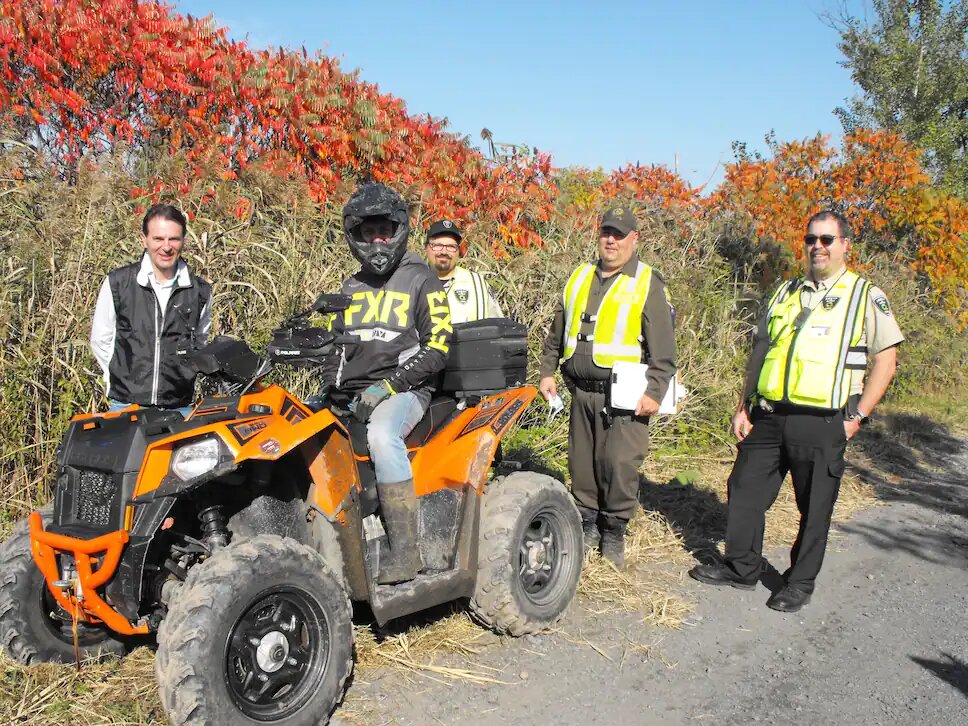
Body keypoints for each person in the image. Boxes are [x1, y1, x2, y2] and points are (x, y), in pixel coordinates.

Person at [689, 209, 903, 613]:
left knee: (814, 504)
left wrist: (857, 416)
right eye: (811, 239)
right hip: (769, 415)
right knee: (745, 489)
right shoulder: (786, 292)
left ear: (844, 246)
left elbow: (886, 361)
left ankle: (799, 582)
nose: (817, 247)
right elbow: (761, 352)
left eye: (826, 239)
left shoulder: (863, 296)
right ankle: (742, 567)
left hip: (823, 421)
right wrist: (743, 405)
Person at [322, 183, 453, 584]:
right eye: (368, 233)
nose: (377, 240)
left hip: (408, 392)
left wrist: (388, 388)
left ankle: (405, 552)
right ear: (355, 236)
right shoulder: (349, 287)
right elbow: (333, 349)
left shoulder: (422, 280)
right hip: (356, 392)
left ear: (399, 230)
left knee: (381, 436)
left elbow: (439, 348)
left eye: (384, 231)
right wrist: (330, 390)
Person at [538, 206, 677, 568]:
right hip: (580, 392)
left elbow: (664, 348)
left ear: (634, 239)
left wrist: (656, 391)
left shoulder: (647, 281)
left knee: (619, 465)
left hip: (626, 396)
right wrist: (546, 371)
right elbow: (558, 330)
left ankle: (614, 529)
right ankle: (587, 526)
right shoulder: (580, 276)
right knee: (582, 465)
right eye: (606, 233)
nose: (611, 240)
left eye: (619, 234)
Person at [90, 203, 212, 413]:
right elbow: (101, 339)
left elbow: (199, 342)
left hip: (180, 407)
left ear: (184, 240)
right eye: (158, 239)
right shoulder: (118, 283)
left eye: (173, 239)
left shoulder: (200, 290)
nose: (166, 246)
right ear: (144, 239)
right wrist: (118, 381)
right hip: (126, 405)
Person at [424, 219, 503, 323]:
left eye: (451, 246)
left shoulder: (478, 284)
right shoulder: (411, 283)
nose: (444, 251)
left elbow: (498, 326)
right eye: (437, 245)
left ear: (458, 251)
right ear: (426, 248)